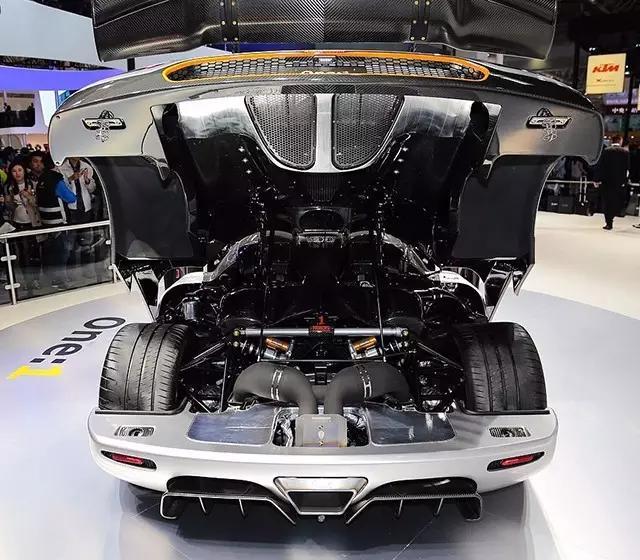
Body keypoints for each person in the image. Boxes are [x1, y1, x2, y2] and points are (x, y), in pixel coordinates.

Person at [29, 151, 76, 288]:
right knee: (61, 254)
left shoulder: (41, 179)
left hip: (46, 223)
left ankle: (52, 279)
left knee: (51, 253)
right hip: (59, 223)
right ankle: (59, 281)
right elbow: (71, 198)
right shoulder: (56, 179)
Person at [597, 135, 630, 230]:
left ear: (612, 141)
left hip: (606, 181)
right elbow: (627, 168)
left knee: (607, 201)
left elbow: (601, 166)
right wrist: (625, 180)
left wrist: (597, 179)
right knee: (616, 200)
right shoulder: (625, 153)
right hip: (619, 181)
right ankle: (613, 214)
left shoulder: (606, 151)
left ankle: (608, 222)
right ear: (620, 141)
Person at [58, 158, 96, 224]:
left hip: (86, 207)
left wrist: (87, 181)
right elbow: (60, 189)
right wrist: (70, 179)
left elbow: (92, 189)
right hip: (71, 207)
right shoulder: (61, 168)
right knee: (74, 229)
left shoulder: (86, 166)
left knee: (87, 229)